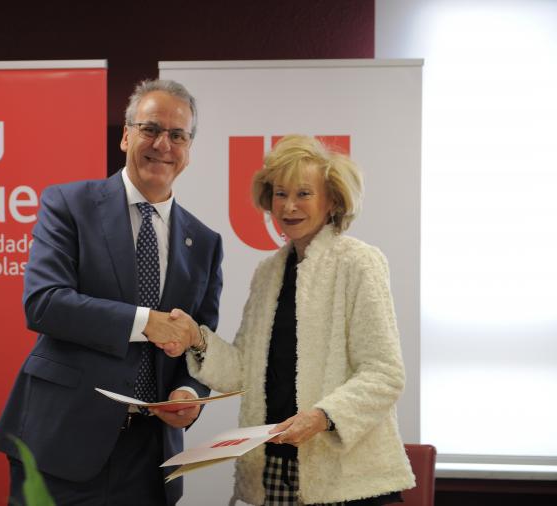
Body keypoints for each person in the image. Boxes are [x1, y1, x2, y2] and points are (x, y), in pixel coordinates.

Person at [0, 79, 223, 506]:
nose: (163, 144)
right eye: (150, 129)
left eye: (177, 135)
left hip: (151, 456)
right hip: (61, 443)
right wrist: (145, 323)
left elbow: (199, 341)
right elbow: (43, 303)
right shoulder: (68, 204)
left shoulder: (205, 242)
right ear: (126, 136)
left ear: (189, 148)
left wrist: (189, 394)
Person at [165, 135, 415, 505]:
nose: (289, 206)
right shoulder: (268, 273)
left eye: (304, 194)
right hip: (275, 471)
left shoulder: (359, 263)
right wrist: (196, 339)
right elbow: (243, 371)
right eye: (280, 194)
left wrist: (322, 417)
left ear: (332, 200)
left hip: (347, 481)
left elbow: (384, 374)